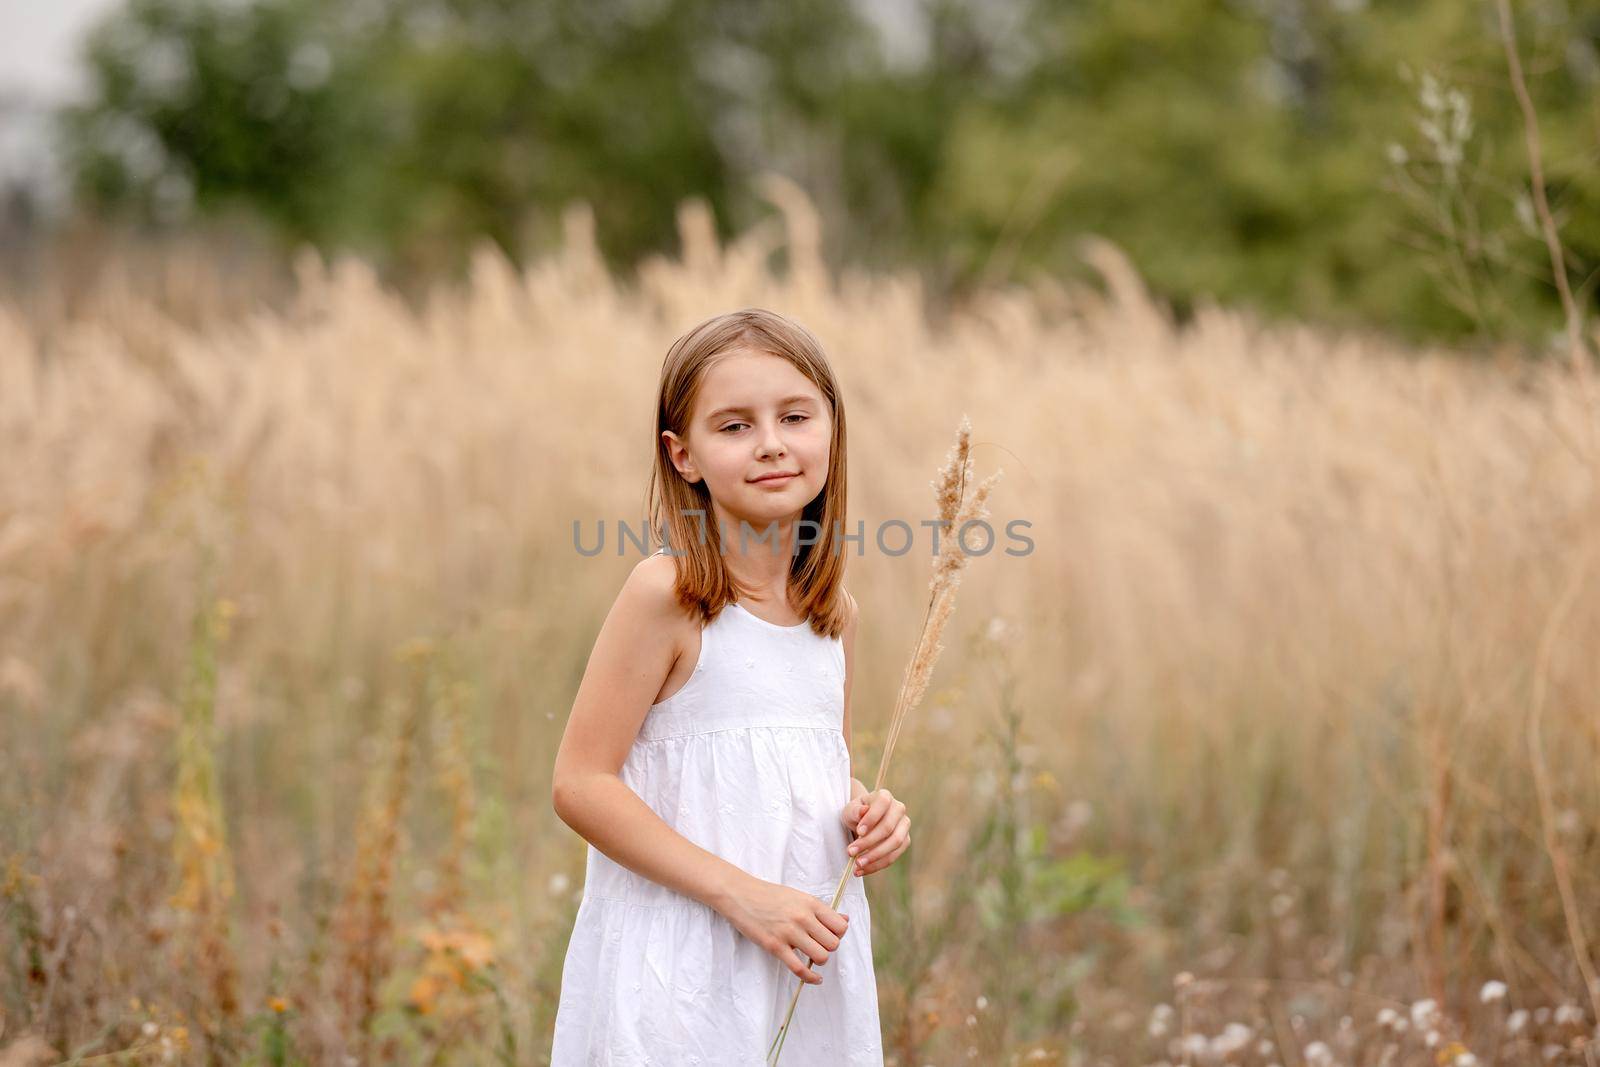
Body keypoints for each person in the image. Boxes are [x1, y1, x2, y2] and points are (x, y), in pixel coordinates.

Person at [550, 307, 911, 1064]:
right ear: (684, 456)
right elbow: (581, 783)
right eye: (735, 426)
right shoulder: (668, 594)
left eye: (794, 416)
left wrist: (869, 816)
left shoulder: (831, 614)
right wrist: (740, 893)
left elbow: (804, 775)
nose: (772, 443)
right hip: (683, 962)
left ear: (832, 429)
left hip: (797, 959)